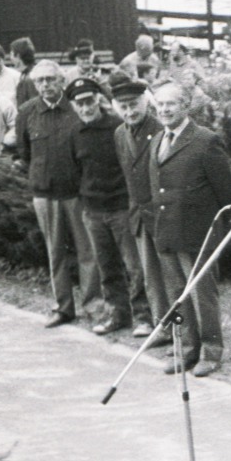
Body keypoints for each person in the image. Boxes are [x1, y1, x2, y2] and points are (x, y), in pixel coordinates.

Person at [148, 80, 231, 377]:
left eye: (170, 104)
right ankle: (187, 350)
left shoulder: (205, 140)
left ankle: (211, 352)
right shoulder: (157, 139)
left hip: (198, 234)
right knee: (177, 295)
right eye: (159, 105)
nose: (164, 110)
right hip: (167, 232)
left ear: (185, 106)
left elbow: (227, 193)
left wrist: (221, 232)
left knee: (201, 294)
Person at [16, 60, 101, 328]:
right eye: (40, 81)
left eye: (50, 80)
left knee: (87, 252)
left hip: (77, 195)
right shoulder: (27, 112)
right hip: (45, 195)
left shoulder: (76, 110)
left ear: (61, 81)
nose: (45, 86)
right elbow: (24, 154)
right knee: (55, 253)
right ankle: (63, 308)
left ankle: (94, 306)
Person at [68, 77, 149, 337]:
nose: (85, 107)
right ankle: (117, 314)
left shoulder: (118, 127)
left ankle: (144, 317)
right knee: (107, 266)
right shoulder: (74, 133)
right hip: (92, 211)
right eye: (79, 103)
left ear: (99, 100)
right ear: (73, 106)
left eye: (89, 101)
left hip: (121, 208)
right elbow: (75, 170)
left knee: (134, 266)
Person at [108, 72, 169, 342]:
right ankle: (161, 326)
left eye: (134, 104)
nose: (129, 111)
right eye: (124, 106)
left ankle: (180, 330)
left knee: (171, 276)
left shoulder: (159, 130)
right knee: (151, 277)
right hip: (139, 216)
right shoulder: (120, 133)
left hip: (163, 216)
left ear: (146, 102)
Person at [9, 38, 39, 107]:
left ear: (18, 56)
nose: (10, 58)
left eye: (11, 54)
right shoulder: (25, 75)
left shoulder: (30, 78)